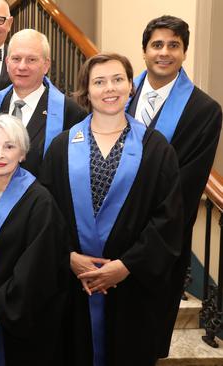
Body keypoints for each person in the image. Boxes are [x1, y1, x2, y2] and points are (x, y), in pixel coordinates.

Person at [39, 53, 183, 366]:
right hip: (74, 286)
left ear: (131, 86)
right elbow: (45, 216)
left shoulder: (156, 148)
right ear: (86, 91)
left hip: (132, 289)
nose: (110, 88)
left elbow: (168, 220)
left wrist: (126, 266)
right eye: (99, 81)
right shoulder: (61, 147)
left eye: (118, 79)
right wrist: (68, 257)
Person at [126, 15, 222, 356]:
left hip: (159, 242)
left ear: (184, 52)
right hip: (106, 240)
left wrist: (137, 227)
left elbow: (186, 183)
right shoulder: (118, 96)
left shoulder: (204, 111)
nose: (164, 53)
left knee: (143, 339)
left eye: (173, 45)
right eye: (157, 45)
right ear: (144, 51)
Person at [0, 114, 68, 365]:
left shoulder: (40, 201)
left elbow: (37, 268)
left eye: (9, 146)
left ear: (22, 153)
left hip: (19, 325)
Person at [0, 29, 87, 176]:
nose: (22, 66)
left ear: (46, 65)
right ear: (7, 63)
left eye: (31, 59)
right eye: (16, 59)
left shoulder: (71, 113)